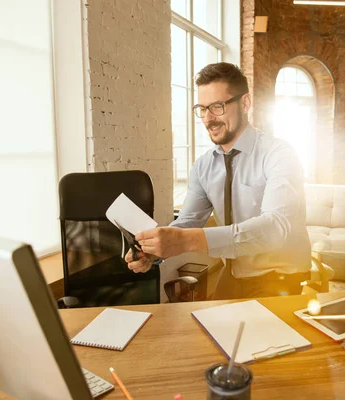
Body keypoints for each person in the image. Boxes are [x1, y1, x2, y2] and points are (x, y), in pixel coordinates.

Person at [125, 62, 312, 300]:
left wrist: (185, 240)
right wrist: (153, 250)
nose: (208, 119)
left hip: (282, 276)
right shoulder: (203, 166)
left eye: (217, 106)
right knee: (206, 330)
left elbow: (275, 228)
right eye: (202, 109)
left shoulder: (279, 154)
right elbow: (188, 222)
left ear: (245, 103)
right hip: (235, 273)